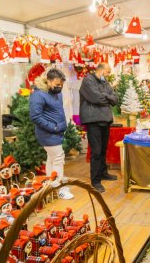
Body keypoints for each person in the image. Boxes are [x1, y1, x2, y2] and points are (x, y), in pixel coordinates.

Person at [29, 67, 74, 200]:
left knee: (52, 158)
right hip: (47, 133)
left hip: (56, 131)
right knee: (58, 158)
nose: (59, 87)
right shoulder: (38, 94)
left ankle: (51, 184)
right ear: (48, 81)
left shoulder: (56, 93)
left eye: (61, 85)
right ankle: (59, 188)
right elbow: (35, 117)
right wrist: (53, 127)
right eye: (57, 84)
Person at [79, 63, 119, 193]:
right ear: (100, 71)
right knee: (96, 151)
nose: (108, 75)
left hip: (105, 119)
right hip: (93, 120)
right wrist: (107, 97)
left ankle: (103, 173)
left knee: (103, 149)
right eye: (107, 72)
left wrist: (106, 97)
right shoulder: (87, 81)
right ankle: (95, 181)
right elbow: (96, 98)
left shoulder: (105, 82)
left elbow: (115, 98)